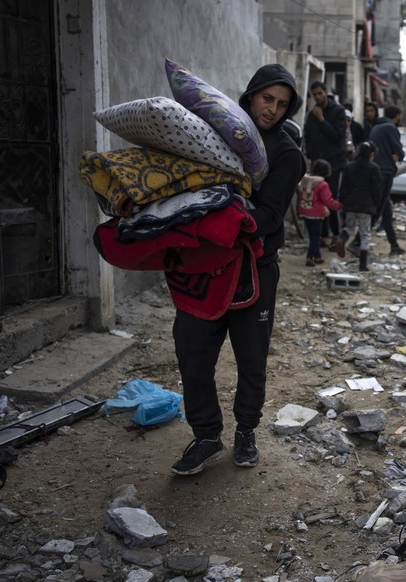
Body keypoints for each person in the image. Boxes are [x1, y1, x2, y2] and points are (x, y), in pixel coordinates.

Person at [171, 64, 306, 476]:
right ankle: (207, 435)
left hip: (255, 267)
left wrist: (227, 216)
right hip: (203, 265)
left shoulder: (286, 154)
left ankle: (245, 431)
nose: (272, 110)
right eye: (268, 99)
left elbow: (268, 215)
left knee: (251, 358)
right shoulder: (216, 130)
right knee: (192, 354)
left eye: (282, 104)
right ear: (251, 95)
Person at [304, 81, 346, 243]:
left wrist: (322, 120)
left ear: (326, 92)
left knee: (331, 198)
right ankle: (322, 235)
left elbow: (337, 136)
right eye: (315, 95)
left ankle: (336, 234)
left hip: (334, 164)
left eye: (320, 93)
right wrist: (312, 154)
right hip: (318, 165)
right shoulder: (311, 115)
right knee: (318, 200)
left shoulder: (338, 111)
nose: (318, 97)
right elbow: (308, 138)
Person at [368, 104, 406, 255]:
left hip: (376, 171)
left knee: (386, 211)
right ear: (397, 116)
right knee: (378, 209)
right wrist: (398, 155)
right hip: (384, 172)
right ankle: (356, 241)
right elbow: (399, 151)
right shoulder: (390, 128)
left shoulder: (376, 127)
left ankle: (394, 245)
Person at [337, 142, 382, 271]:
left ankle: (342, 239)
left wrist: (342, 202)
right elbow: (377, 189)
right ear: (370, 154)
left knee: (350, 228)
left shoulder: (349, 167)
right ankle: (363, 265)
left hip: (350, 205)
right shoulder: (374, 168)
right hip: (366, 207)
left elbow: (343, 187)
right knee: (365, 234)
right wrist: (375, 203)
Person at [297, 159, 341, 266]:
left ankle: (317, 256)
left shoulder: (305, 180)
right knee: (315, 236)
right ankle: (309, 257)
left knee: (312, 235)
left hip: (304, 211)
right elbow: (328, 201)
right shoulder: (322, 184)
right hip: (317, 214)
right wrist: (340, 205)